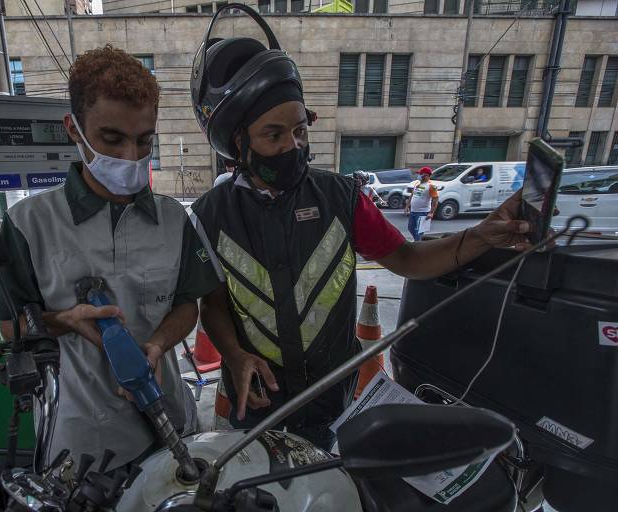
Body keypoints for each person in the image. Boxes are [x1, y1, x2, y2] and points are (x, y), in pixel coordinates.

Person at [188, 26, 532, 450]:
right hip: (259, 400)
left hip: (338, 398)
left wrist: (481, 236)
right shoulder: (210, 215)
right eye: (273, 135)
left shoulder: (340, 198)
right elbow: (214, 306)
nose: (293, 146)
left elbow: (408, 259)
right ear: (237, 143)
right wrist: (235, 356)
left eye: (300, 130)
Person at [0, 46, 220, 470]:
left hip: (171, 423)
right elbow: (6, 325)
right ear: (74, 129)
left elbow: (187, 304)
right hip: (83, 439)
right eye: (112, 139)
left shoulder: (174, 220)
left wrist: (157, 344)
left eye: (144, 140)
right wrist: (62, 321)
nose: (131, 157)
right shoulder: (29, 224)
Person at [405, 167, 439, 241]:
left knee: (419, 232)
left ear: (427, 175)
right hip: (413, 211)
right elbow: (412, 195)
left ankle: (418, 245)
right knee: (410, 228)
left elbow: (435, 199)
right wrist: (407, 206)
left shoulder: (431, 186)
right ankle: (417, 242)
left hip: (423, 213)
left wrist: (431, 213)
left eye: (421, 174)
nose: (419, 175)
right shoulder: (417, 183)